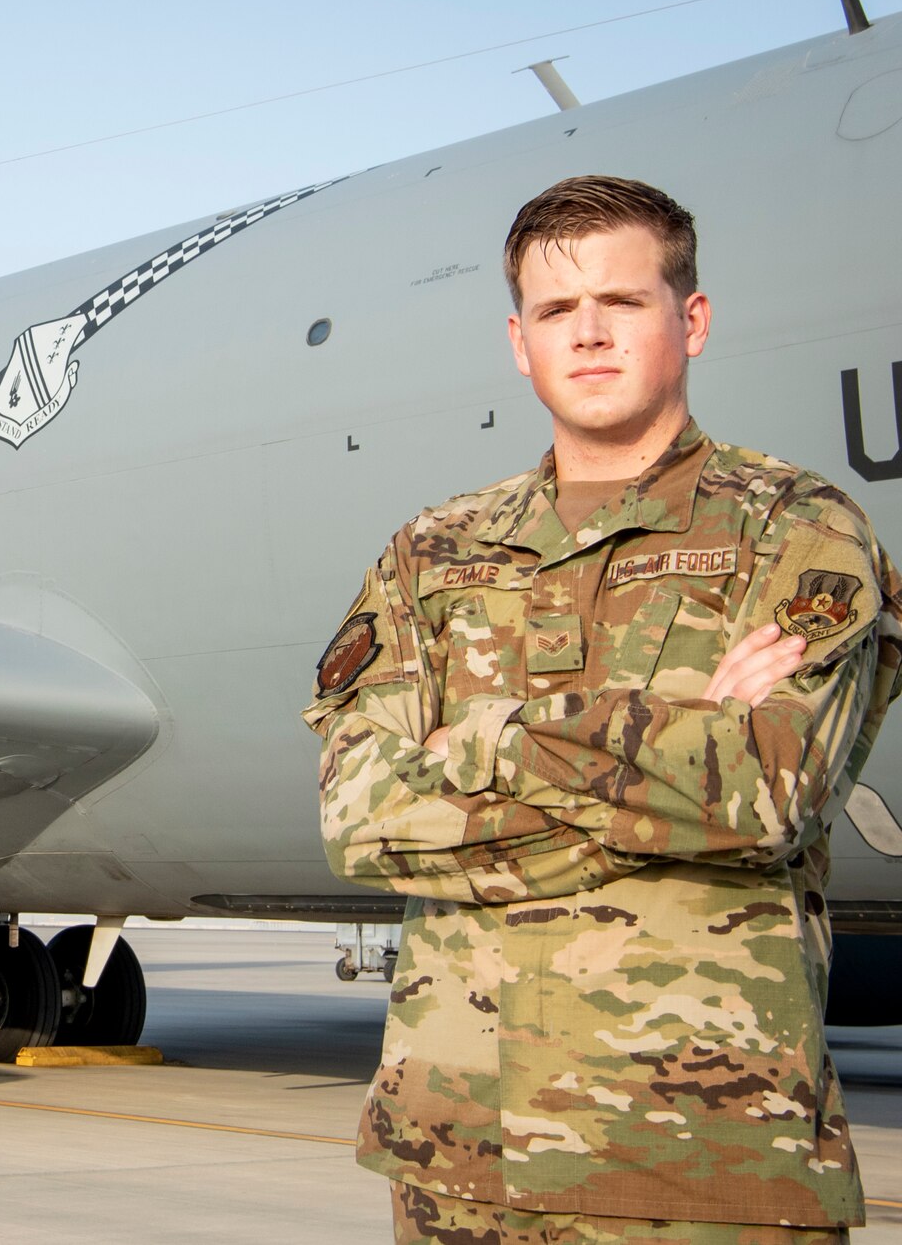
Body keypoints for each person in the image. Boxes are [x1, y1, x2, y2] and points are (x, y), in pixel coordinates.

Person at [304, 175, 902, 1243]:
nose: (585, 335)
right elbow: (359, 817)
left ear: (690, 320)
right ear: (516, 341)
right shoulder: (432, 552)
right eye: (554, 312)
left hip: (703, 1163)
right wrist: (657, 748)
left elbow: (760, 793)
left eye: (619, 303)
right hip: (454, 1154)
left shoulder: (795, 530)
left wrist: (474, 742)